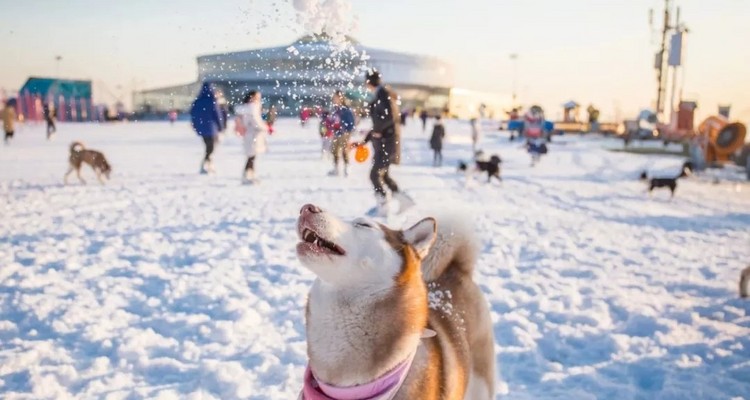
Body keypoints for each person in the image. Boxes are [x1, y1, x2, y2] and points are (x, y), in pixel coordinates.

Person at [353, 69, 414, 217]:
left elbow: (390, 117)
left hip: (388, 143)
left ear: (368, 82)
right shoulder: (382, 93)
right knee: (383, 175)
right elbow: (379, 123)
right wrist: (364, 141)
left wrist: (378, 131)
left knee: (375, 175)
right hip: (384, 142)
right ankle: (404, 201)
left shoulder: (384, 94)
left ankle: (383, 206)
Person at [234, 90, 268, 184]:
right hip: (253, 134)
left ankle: (250, 175)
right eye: (258, 97)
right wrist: (264, 127)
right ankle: (247, 176)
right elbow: (256, 121)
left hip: (249, 134)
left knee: (251, 156)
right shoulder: (252, 107)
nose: (259, 99)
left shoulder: (245, 108)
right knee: (251, 156)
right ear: (252, 97)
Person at [189, 83, 223, 174]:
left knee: (208, 146)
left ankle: (208, 164)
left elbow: (193, 115)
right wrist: (221, 126)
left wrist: (196, 126)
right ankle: (206, 164)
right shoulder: (212, 101)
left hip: (201, 128)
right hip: (211, 128)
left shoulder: (197, 101)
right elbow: (217, 115)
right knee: (210, 148)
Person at [329, 90, 355, 177]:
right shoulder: (335, 109)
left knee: (344, 150)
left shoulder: (346, 109)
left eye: (336, 98)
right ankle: (336, 168)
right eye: (334, 98)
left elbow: (351, 122)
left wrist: (347, 130)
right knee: (334, 150)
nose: (335, 99)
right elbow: (332, 120)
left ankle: (347, 168)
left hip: (344, 133)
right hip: (336, 132)